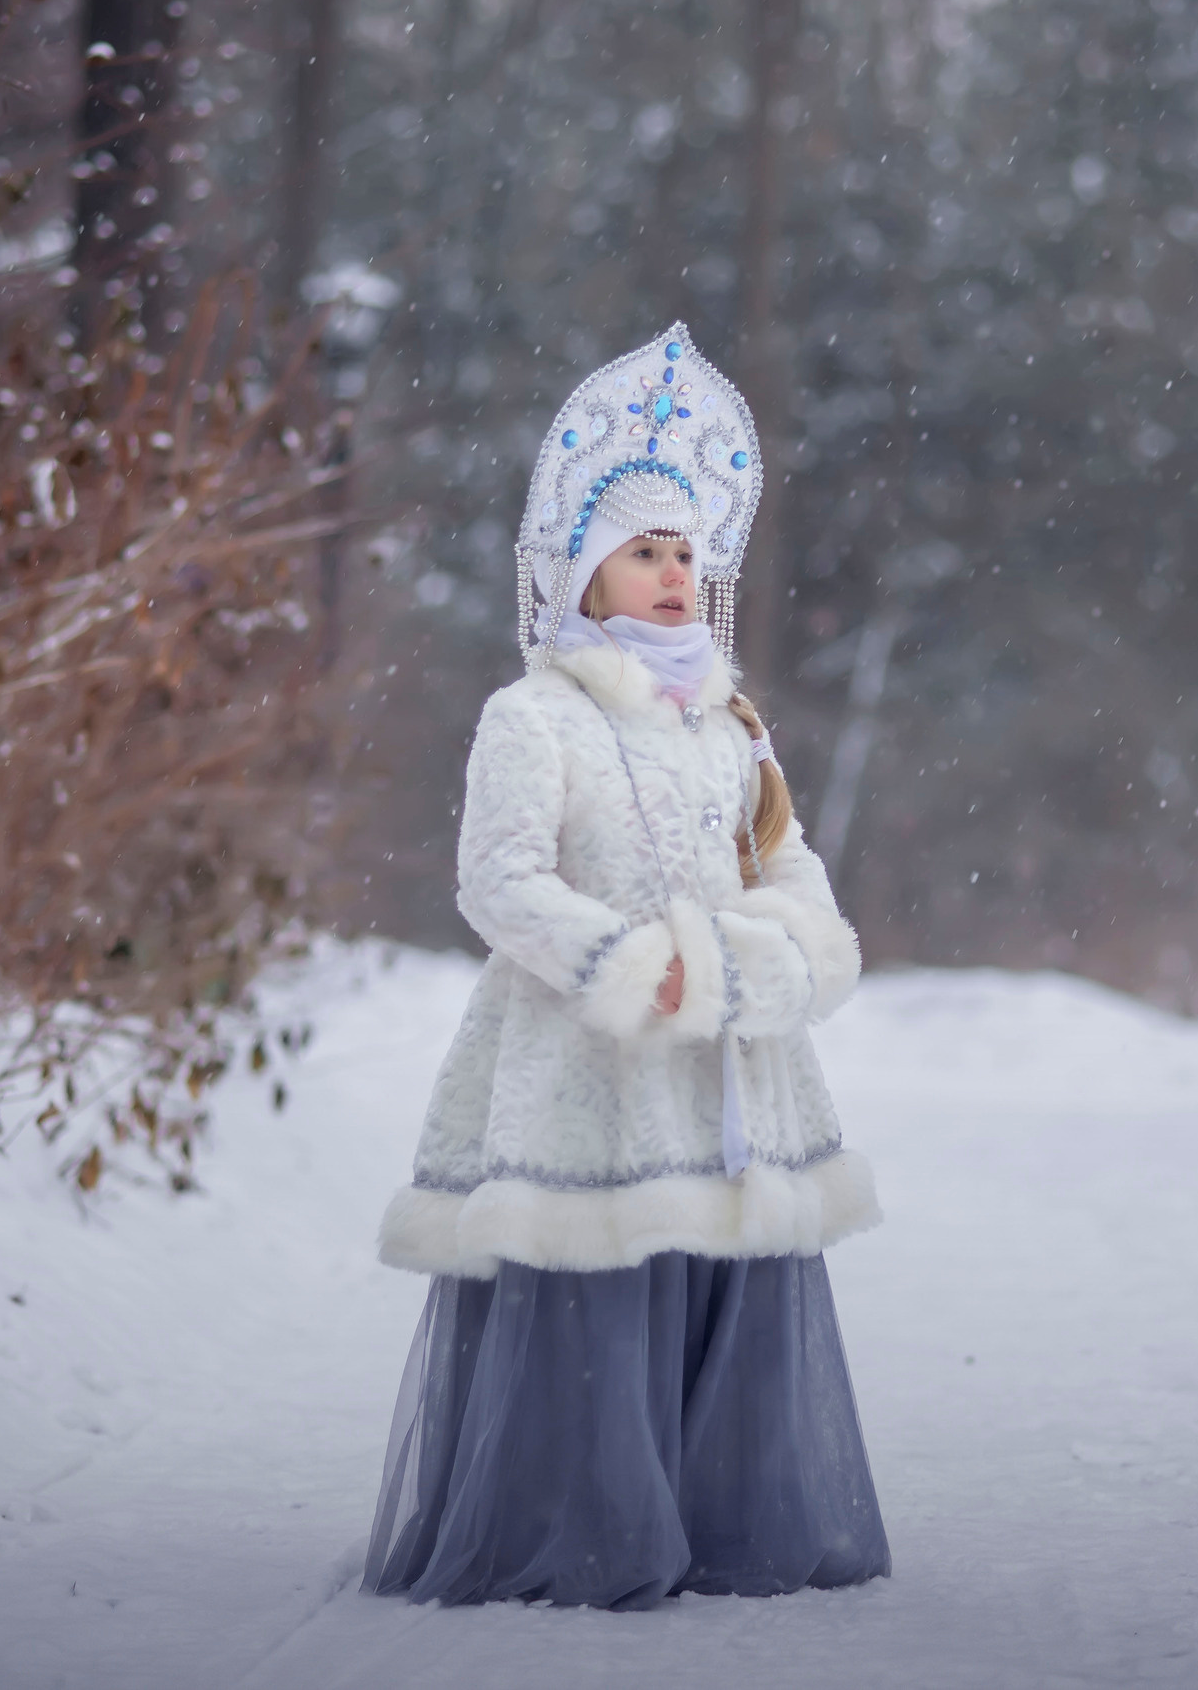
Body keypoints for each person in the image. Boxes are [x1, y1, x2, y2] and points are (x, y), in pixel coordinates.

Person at [358, 322, 891, 1610]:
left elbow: (786, 865)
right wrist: (620, 960)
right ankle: (576, 1523)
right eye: (643, 552)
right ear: (584, 572)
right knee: (599, 1269)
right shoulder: (534, 715)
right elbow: (499, 881)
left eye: (685, 552)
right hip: (585, 1053)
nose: (669, 574)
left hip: (730, 1060)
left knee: (724, 1259)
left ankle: (722, 1515)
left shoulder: (730, 722)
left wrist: (795, 958)